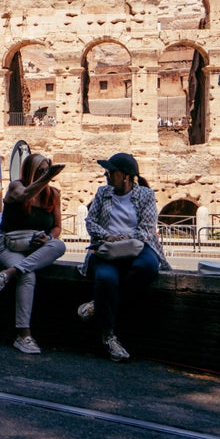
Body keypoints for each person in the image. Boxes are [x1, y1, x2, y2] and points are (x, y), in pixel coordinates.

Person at [79, 152, 170, 362]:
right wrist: (108, 236)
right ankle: (109, 337)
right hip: (107, 246)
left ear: (127, 176)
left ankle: (99, 304)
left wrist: (124, 238)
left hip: (137, 245)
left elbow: (147, 229)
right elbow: (90, 222)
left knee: (147, 267)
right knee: (105, 279)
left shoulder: (146, 195)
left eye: (112, 171)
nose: (107, 174)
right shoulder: (102, 193)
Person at [0, 153, 67, 354]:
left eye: (47, 170)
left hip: (35, 246)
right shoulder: (16, 187)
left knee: (59, 246)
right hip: (9, 245)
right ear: (30, 170)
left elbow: (58, 228)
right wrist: (47, 178)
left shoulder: (53, 195)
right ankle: (24, 335)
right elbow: (24, 196)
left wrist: (48, 239)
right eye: (40, 171)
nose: (44, 174)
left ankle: (9, 273)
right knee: (28, 275)